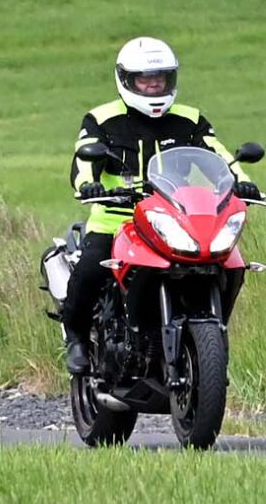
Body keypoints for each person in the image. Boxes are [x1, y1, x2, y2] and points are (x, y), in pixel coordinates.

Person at [55, 36, 251, 375]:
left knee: (230, 263)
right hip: (117, 219)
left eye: (160, 77)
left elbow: (218, 153)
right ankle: (76, 338)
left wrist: (242, 180)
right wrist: (88, 184)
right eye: (145, 78)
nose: (154, 84)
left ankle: (209, 335)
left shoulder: (189, 120)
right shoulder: (102, 119)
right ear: (127, 80)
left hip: (174, 219)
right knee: (90, 269)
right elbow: (83, 158)